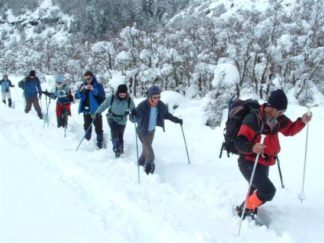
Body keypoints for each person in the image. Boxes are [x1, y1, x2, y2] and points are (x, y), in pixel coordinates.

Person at [234, 89, 312, 219]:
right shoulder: (253, 119)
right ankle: (245, 208)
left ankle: (246, 214)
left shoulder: (278, 118)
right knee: (268, 191)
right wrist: (252, 147)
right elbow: (239, 141)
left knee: (256, 189)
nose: (282, 114)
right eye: (280, 111)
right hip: (248, 161)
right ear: (271, 107)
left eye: (283, 112)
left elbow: (290, 130)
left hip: (264, 161)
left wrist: (302, 121)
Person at [131, 85, 183, 175]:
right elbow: (133, 119)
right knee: (150, 151)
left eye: (158, 97)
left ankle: (141, 161)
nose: (157, 99)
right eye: (155, 97)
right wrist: (133, 114)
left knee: (145, 149)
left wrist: (176, 120)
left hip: (152, 131)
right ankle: (148, 166)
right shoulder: (143, 105)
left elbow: (166, 115)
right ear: (150, 97)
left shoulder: (160, 105)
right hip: (142, 131)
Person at [95, 84, 136, 157]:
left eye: (124, 94)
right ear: (118, 92)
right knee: (114, 130)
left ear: (126, 93)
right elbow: (104, 105)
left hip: (122, 119)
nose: (122, 96)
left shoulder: (129, 99)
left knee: (120, 135)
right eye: (121, 94)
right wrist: (98, 112)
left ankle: (120, 150)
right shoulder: (112, 97)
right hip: (112, 117)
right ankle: (116, 147)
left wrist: (134, 113)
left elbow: (133, 108)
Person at [75, 71, 106, 149]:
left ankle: (100, 144)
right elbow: (76, 96)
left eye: (89, 79)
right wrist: (81, 90)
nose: (87, 80)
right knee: (87, 126)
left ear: (92, 77)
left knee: (98, 128)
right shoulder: (83, 85)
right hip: (86, 110)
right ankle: (87, 142)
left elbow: (102, 95)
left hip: (96, 110)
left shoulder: (98, 85)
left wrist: (93, 89)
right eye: (86, 79)